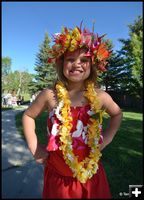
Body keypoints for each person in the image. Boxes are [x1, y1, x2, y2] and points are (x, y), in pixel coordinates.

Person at [22, 23, 123, 199]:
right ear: (61, 64)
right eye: (70, 59)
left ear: (92, 65)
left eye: (84, 60)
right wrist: (35, 147)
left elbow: (117, 114)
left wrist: (107, 138)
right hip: (58, 178)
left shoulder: (100, 96)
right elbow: (28, 115)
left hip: (91, 177)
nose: (77, 64)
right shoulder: (49, 95)